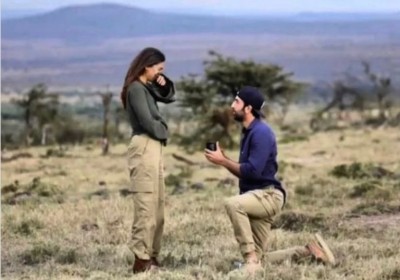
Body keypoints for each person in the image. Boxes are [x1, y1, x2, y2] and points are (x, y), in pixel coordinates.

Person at [204, 86, 335, 274]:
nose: (232, 106)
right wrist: (224, 161)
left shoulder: (261, 133)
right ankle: (308, 252)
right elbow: (247, 171)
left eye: (237, 102)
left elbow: (253, 172)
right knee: (262, 259)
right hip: (256, 195)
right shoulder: (249, 131)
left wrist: (223, 161)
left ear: (248, 108)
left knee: (232, 204)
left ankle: (249, 260)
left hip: (268, 196)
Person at [120, 47, 175, 274]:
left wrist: (163, 83)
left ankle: (152, 256)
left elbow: (169, 97)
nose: (160, 72)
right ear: (147, 66)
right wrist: (164, 130)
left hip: (154, 147)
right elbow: (146, 121)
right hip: (144, 145)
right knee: (146, 204)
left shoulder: (146, 87)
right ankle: (141, 261)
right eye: (159, 69)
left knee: (158, 206)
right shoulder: (135, 89)